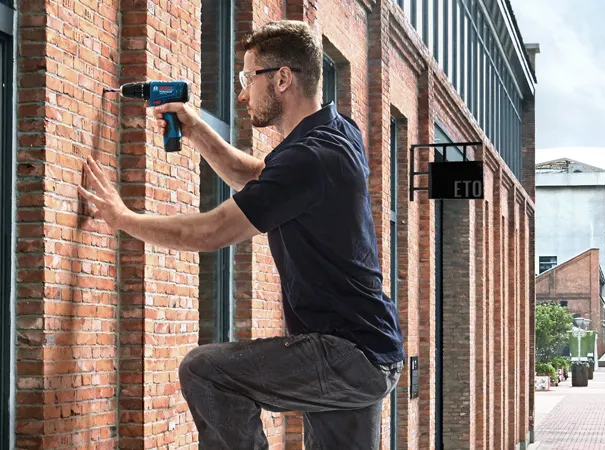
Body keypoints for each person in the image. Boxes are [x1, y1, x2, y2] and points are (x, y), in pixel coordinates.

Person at [78, 19, 405, 450]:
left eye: (248, 77)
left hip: (344, 354)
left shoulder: (310, 157)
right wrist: (194, 130)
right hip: (373, 351)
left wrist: (123, 218)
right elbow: (258, 178)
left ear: (283, 78)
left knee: (205, 371)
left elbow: (213, 231)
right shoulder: (337, 134)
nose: (241, 92)